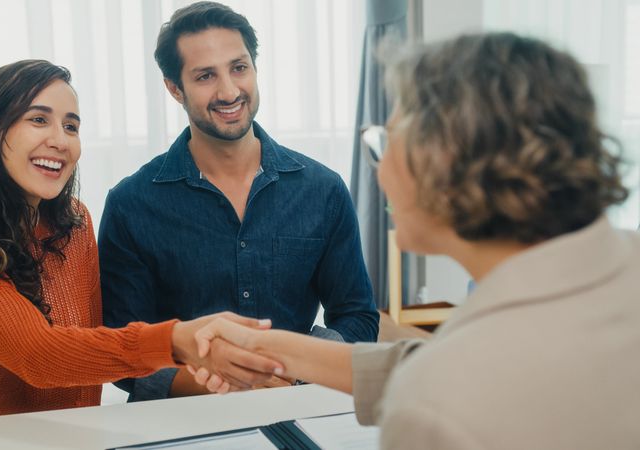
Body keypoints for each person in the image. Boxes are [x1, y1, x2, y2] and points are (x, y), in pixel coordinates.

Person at [191, 32, 640, 449]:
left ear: (447, 166)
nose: (380, 170)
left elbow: (442, 380)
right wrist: (264, 348)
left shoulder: (434, 409)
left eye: (386, 143)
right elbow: (434, 367)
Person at [0, 59, 281, 425]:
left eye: (71, 126)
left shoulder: (73, 223)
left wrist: (197, 363)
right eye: (39, 119)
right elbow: (39, 355)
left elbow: (83, 353)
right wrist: (178, 340)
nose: (60, 140)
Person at [98, 1, 379, 402]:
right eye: (205, 76)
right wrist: (231, 383)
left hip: (297, 405)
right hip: (178, 424)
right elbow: (121, 349)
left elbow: (357, 317)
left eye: (239, 68)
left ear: (255, 69)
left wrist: (293, 374)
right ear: (174, 88)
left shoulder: (323, 190)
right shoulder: (131, 203)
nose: (229, 91)